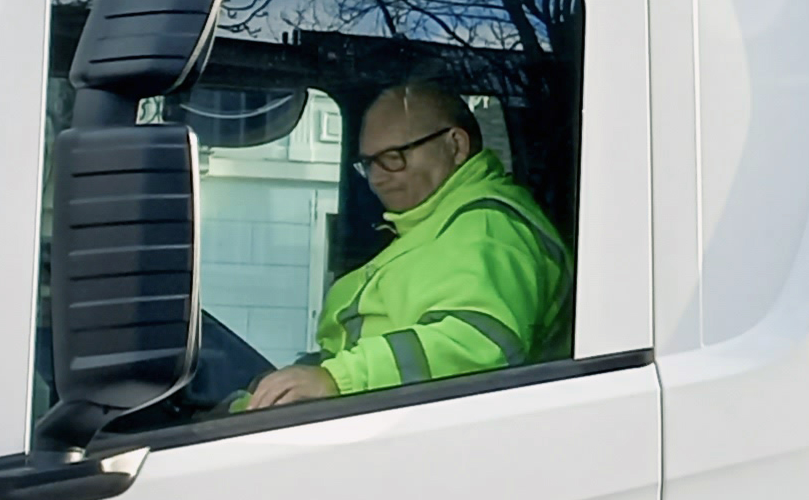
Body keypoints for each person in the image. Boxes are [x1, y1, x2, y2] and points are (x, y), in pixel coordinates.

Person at [238, 84, 572, 410]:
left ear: (455, 146)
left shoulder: (488, 229)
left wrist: (336, 380)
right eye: (369, 163)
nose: (377, 179)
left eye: (393, 158)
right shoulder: (433, 226)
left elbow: (478, 343)